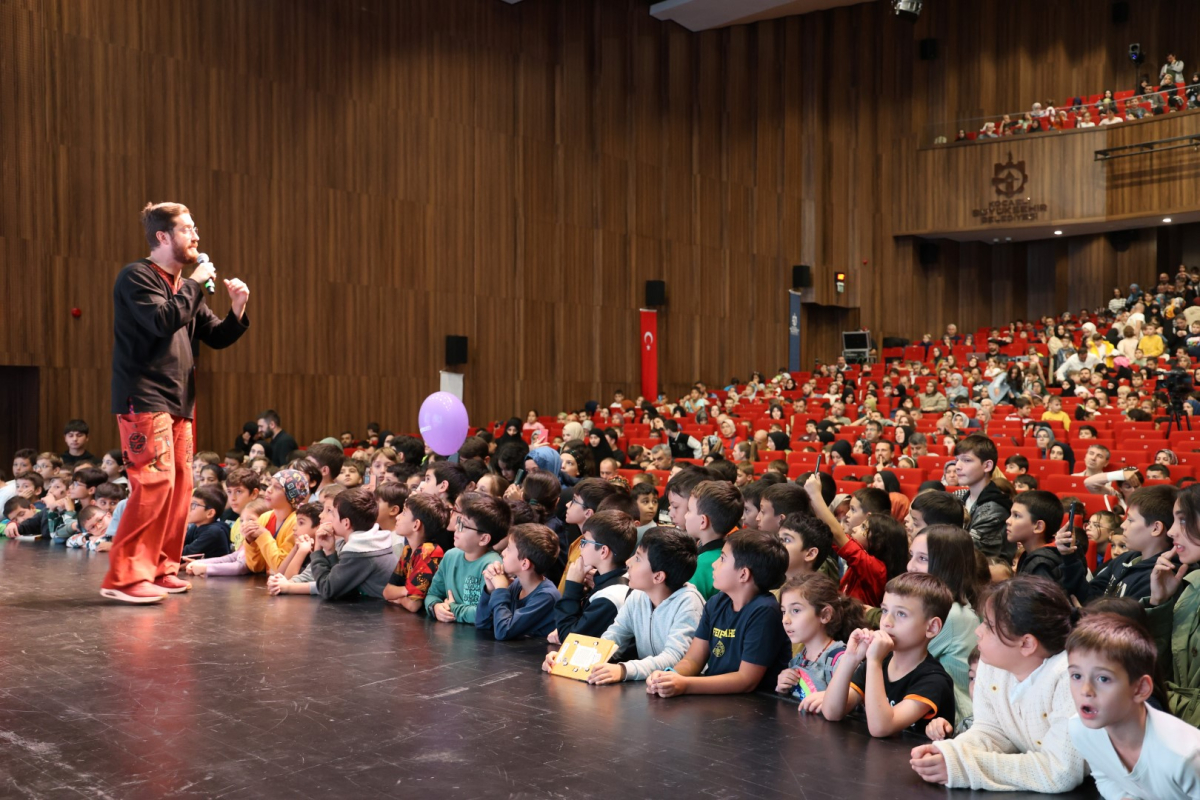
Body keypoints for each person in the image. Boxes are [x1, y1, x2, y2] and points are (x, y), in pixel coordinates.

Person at [100, 203, 250, 604]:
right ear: (163, 237)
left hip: (180, 399)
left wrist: (237, 309)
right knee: (153, 483)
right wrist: (195, 285)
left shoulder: (185, 286)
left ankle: (161, 568)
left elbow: (215, 335)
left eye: (195, 228)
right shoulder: (137, 276)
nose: (196, 235)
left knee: (181, 485)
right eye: (187, 229)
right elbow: (162, 320)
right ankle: (124, 578)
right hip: (144, 395)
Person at [910, 576, 1086, 793]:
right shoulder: (992, 664)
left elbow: (1060, 770)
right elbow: (992, 732)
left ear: (1026, 644)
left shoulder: (1072, 677)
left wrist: (964, 767)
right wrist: (949, 753)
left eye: (989, 626)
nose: (978, 631)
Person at [543, 527, 704, 684]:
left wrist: (623, 670)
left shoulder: (688, 603)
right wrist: (565, 659)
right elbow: (611, 640)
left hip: (684, 693)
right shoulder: (638, 596)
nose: (628, 562)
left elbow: (674, 658)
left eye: (638, 559)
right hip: (651, 686)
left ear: (658, 577)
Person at [1066, 613, 1200, 799]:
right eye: (1076, 676)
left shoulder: (1184, 755)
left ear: (1140, 689)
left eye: (1103, 678)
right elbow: (1105, 777)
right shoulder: (1080, 730)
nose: (1085, 690)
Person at [645, 530, 790, 697]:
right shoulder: (716, 603)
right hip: (717, 700)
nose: (714, 564)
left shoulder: (765, 611)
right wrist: (669, 677)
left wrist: (685, 685)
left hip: (755, 704)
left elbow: (746, 680)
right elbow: (693, 660)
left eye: (722, 559)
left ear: (743, 574)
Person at [822, 573, 956, 738]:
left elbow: (881, 728)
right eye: (885, 610)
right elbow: (832, 712)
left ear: (932, 627)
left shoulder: (934, 680)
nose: (886, 622)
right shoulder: (880, 662)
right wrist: (851, 658)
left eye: (901, 614)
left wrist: (874, 662)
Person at [907, 525, 983, 724]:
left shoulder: (952, 614)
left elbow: (901, 655)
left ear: (947, 565)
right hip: (926, 707)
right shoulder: (941, 606)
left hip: (950, 719)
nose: (910, 566)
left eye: (923, 559)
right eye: (911, 556)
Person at [1146, 483, 1200, 725]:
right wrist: (1159, 602)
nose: (1171, 532)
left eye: (1183, 520)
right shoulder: (1191, 586)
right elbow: (1164, 671)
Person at [1068, 485, 1176, 603]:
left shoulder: (1160, 577)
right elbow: (1089, 596)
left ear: (1156, 528)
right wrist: (1069, 556)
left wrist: (1083, 612)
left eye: (1130, 520)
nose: (1123, 525)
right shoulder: (1124, 559)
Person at [775, 573, 864, 712]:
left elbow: (855, 707)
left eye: (795, 610)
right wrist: (783, 688)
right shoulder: (799, 659)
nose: (785, 620)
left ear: (825, 615)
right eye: (783, 611)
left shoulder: (842, 660)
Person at [552, 510, 635, 642]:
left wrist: (572, 587)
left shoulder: (610, 598)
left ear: (603, 551)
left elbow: (570, 639)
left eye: (585, 542)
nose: (581, 547)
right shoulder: (618, 577)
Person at [425, 492, 506, 624]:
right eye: (459, 521)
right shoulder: (450, 556)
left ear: (484, 539)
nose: (457, 527)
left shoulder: (492, 565)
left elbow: (485, 613)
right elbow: (433, 594)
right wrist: (435, 607)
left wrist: (453, 608)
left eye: (463, 525)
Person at [305, 487, 398, 600]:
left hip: (382, 609)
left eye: (333, 514)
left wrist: (317, 551)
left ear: (346, 523)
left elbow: (327, 589)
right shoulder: (370, 542)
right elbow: (340, 583)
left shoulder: (361, 552)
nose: (331, 519)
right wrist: (330, 552)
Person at [476, 523, 561, 640]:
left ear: (524, 563)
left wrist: (500, 589)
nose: (503, 553)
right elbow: (482, 623)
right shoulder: (517, 584)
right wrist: (490, 590)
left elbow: (503, 631)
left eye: (509, 549)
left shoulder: (546, 596)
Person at [382, 492, 451, 612]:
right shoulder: (408, 550)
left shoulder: (429, 551)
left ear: (416, 525)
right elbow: (387, 592)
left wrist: (399, 598)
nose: (397, 517)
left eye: (404, 513)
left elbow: (414, 605)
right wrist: (407, 590)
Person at [952, 434, 1013, 559]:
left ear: (987, 466)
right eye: (957, 460)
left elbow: (967, 550)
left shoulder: (994, 508)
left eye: (966, 460)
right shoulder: (960, 498)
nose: (957, 466)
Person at [683, 480, 742, 600]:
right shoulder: (729, 556)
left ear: (703, 521)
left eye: (689, 510)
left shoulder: (699, 566)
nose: (685, 515)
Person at [181, 486, 231, 559]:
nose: (188, 508)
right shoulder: (195, 526)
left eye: (194, 505)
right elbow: (180, 546)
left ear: (210, 513)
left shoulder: (213, 532)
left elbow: (184, 554)